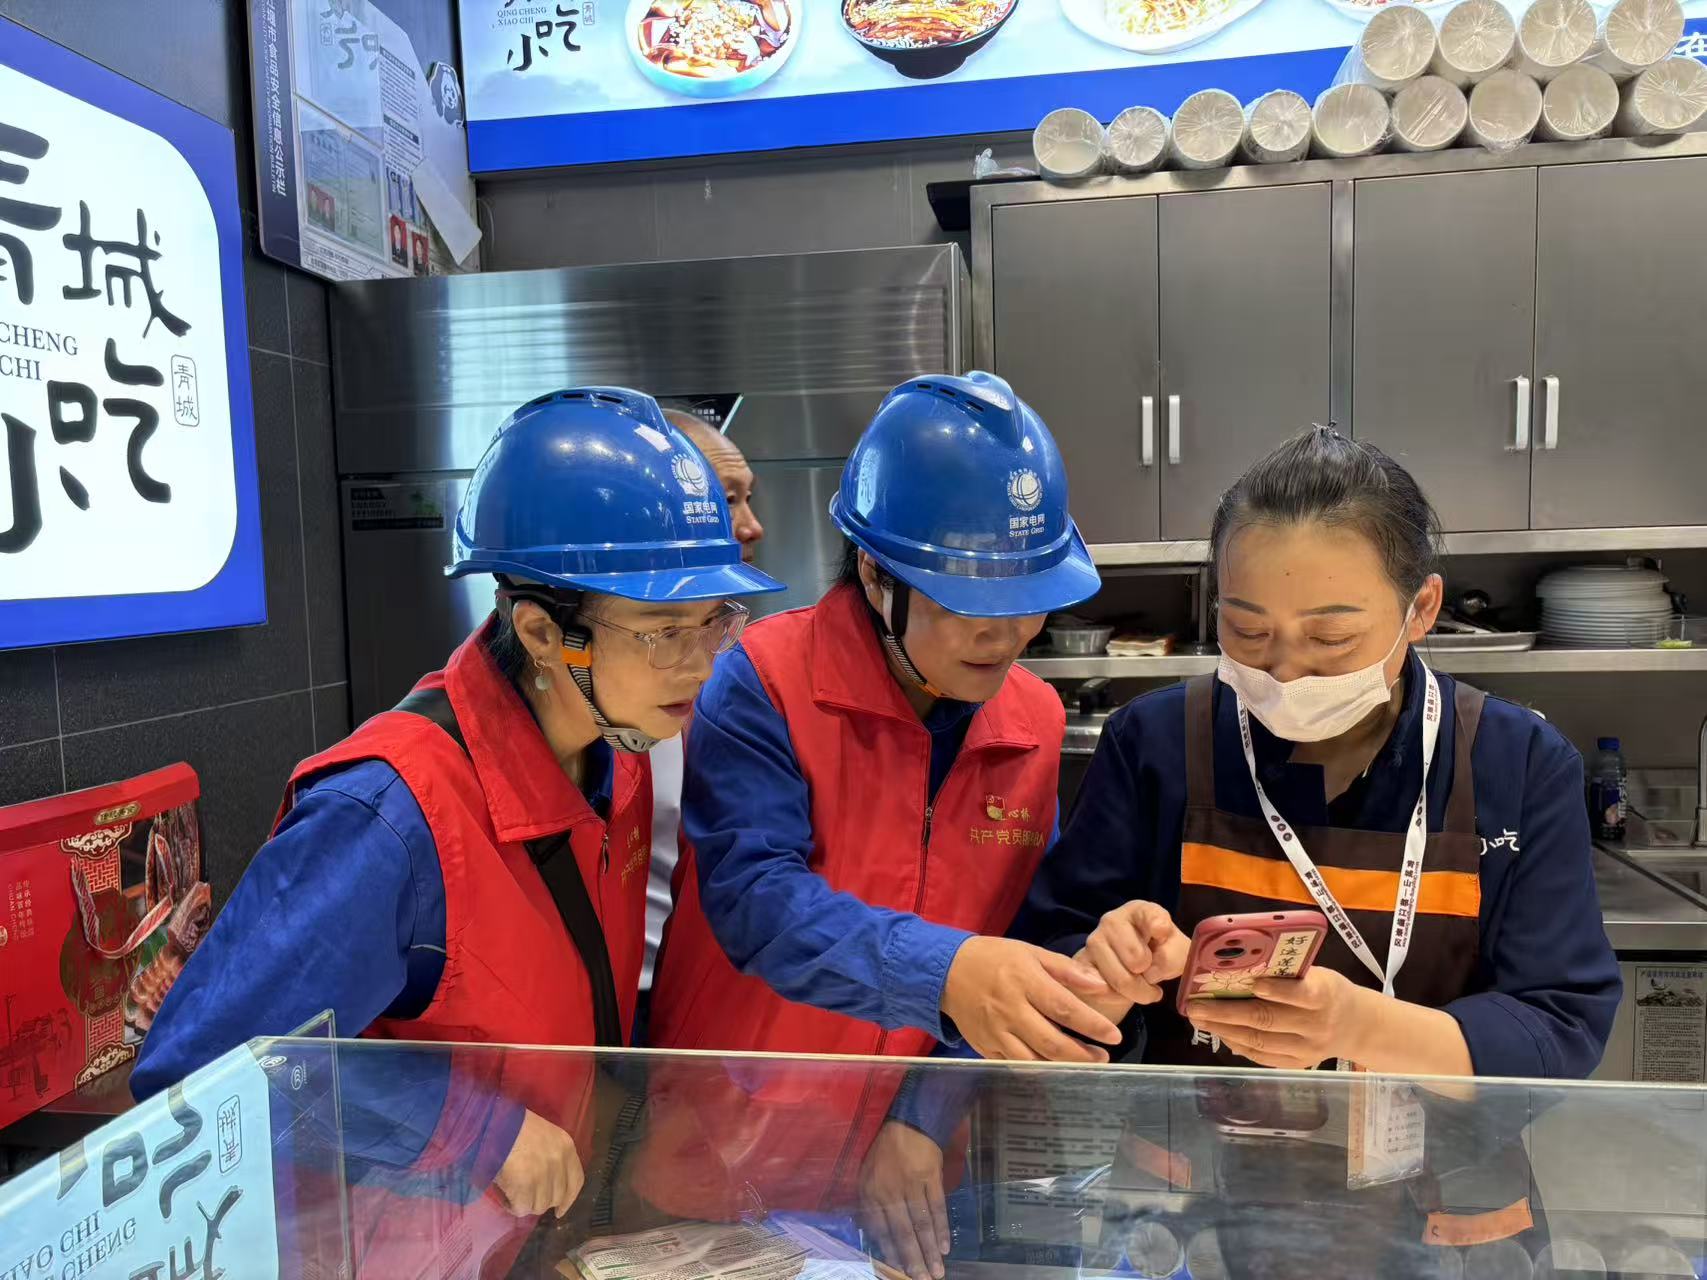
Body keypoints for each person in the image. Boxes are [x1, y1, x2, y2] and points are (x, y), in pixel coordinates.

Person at [867, 428, 1622, 1279]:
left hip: (1442, 1210)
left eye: (1330, 639)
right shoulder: (1158, 742)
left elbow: (1560, 1023)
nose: (1285, 673)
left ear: (1419, 609)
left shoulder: (1514, 762)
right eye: (1246, 630)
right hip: (1195, 1204)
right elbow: (1046, 964)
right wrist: (1102, 974)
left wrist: (1358, 1027)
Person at [131, 388, 783, 1275]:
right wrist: (474, 1126)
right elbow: (201, 1074)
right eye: (665, 631)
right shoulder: (388, 815)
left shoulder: (616, 756)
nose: (702, 664)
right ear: (543, 632)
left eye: (713, 622)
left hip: (524, 1244)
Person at [628, 370, 1111, 1222]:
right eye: (967, 602)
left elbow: (1018, 938)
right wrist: (947, 972)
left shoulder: (1032, 720)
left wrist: (924, 1116)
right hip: (721, 1149)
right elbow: (756, 902)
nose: (1003, 635)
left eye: (1028, 601)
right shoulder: (763, 681)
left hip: (907, 1166)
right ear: (875, 573)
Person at [636, 409, 765, 1044]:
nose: (752, 525)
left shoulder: (732, 671)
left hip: (687, 998)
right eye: (727, 499)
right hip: (621, 1001)